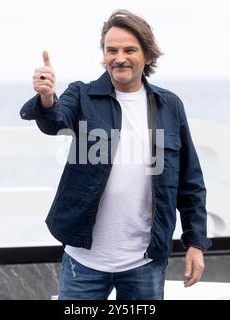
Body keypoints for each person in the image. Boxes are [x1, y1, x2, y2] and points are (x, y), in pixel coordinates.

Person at [20, 9, 211, 300]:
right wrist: (47, 97)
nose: (119, 57)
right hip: (84, 261)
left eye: (129, 49)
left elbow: (190, 181)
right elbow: (54, 120)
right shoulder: (82, 95)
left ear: (148, 55)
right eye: (112, 50)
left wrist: (195, 242)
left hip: (144, 262)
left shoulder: (169, 106)